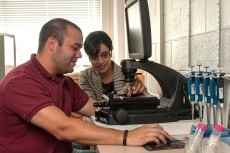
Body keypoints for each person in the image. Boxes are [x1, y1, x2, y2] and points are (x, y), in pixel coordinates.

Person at [0, 18, 170, 153]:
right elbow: (64, 128)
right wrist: (128, 136)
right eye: (75, 48)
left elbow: (98, 109)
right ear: (52, 44)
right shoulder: (20, 82)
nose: (80, 55)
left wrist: (136, 96)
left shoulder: (63, 82)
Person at [80, 31, 146, 101]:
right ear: (89, 58)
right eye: (94, 57)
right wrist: (119, 94)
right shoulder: (85, 76)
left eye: (104, 55)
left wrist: (140, 91)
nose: (100, 61)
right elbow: (91, 106)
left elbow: (144, 99)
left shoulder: (127, 73)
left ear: (110, 53)